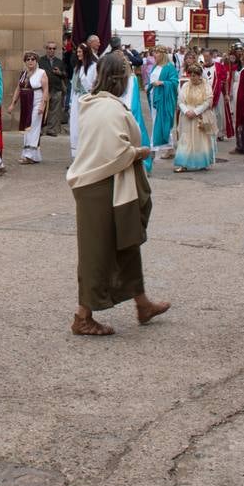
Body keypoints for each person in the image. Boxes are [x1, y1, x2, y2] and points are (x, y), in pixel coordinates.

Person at [64, 53, 171, 336]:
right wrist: (140, 152)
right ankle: (82, 317)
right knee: (96, 252)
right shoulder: (108, 109)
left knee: (127, 242)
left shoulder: (96, 104)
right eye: (127, 75)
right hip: (99, 185)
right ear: (119, 78)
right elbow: (115, 152)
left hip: (108, 183)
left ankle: (143, 304)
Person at [174, 62, 218, 173]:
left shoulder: (206, 86)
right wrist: (186, 111)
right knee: (186, 139)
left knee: (201, 139)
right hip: (187, 116)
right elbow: (180, 100)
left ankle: (202, 162)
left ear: (199, 75)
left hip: (200, 116)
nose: (192, 77)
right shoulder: (185, 86)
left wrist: (196, 111)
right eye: (191, 75)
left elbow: (208, 101)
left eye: (195, 75)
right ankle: (183, 163)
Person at [6, 50, 47, 164]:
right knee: (27, 128)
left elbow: (45, 90)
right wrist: (12, 104)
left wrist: (42, 105)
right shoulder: (23, 74)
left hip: (37, 101)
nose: (30, 61)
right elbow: (18, 89)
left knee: (33, 127)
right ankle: (34, 155)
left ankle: (30, 155)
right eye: (27, 59)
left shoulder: (41, 73)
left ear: (36, 61)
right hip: (26, 105)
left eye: (32, 59)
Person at [121, 58, 152, 171]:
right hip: (122, 110)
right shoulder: (119, 79)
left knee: (138, 135)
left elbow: (132, 98)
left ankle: (143, 164)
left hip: (131, 112)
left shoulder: (132, 78)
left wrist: (127, 110)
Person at [69, 44, 99, 158]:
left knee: (85, 127)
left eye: (80, 52)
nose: (78, 54)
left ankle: (86, 156)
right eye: (77, 52)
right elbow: (73, 86)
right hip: (77, 99)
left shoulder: (93, 66)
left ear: (86, 52)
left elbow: (92, 85)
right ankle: (76, 156)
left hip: (87, 99)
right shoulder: (77, 67)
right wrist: (71, 101)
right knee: (75, 126)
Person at [148, 49, 179, 157]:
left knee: (161, 122)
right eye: (154, 53)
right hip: (154, 97)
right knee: (157, 121)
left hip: (164, 98)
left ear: (163, 54)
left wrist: (162, 83)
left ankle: (153, 148)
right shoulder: (155, 66)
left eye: (157, 53)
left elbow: (175, 82)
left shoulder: (169, 67)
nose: (154, 55)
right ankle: (170, 148)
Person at [40, 41, 67, 136]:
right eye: (49, 48)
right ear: (46, 49)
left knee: (55, 110)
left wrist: (60, 73)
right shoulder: (40, 60)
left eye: (54, 48)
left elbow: (65, 75)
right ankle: (40, 129)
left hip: (56, 88)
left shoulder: (59, 62)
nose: (51, 50)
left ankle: (51, 129)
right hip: (44, 89)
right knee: (42, 109)